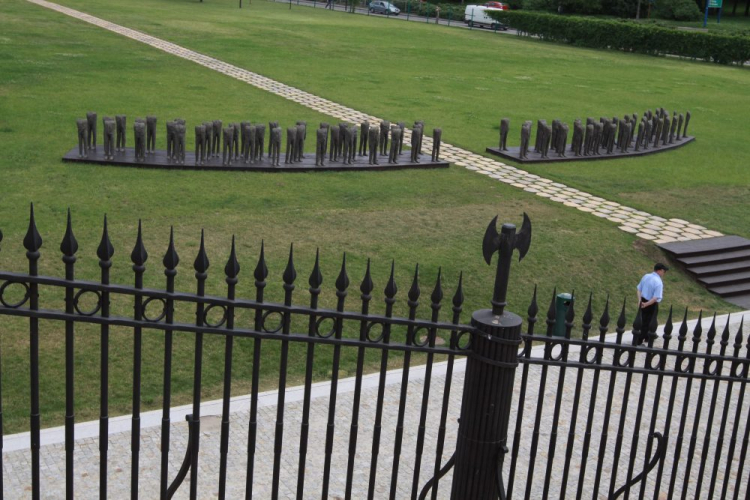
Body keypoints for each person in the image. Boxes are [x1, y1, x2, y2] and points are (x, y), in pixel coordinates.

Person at [634, 263, 669, 345]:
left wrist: (639, 300)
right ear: (659, 271)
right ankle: (641, 339)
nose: (664, 273)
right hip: (651, 304)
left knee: (641, 319)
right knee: (649, 321)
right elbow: (655, 297)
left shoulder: (646, 276)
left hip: (642, 300)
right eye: (664, 271)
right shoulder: (658, 282)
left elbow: (639, 289)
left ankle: (647, 336)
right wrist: (646, 304)